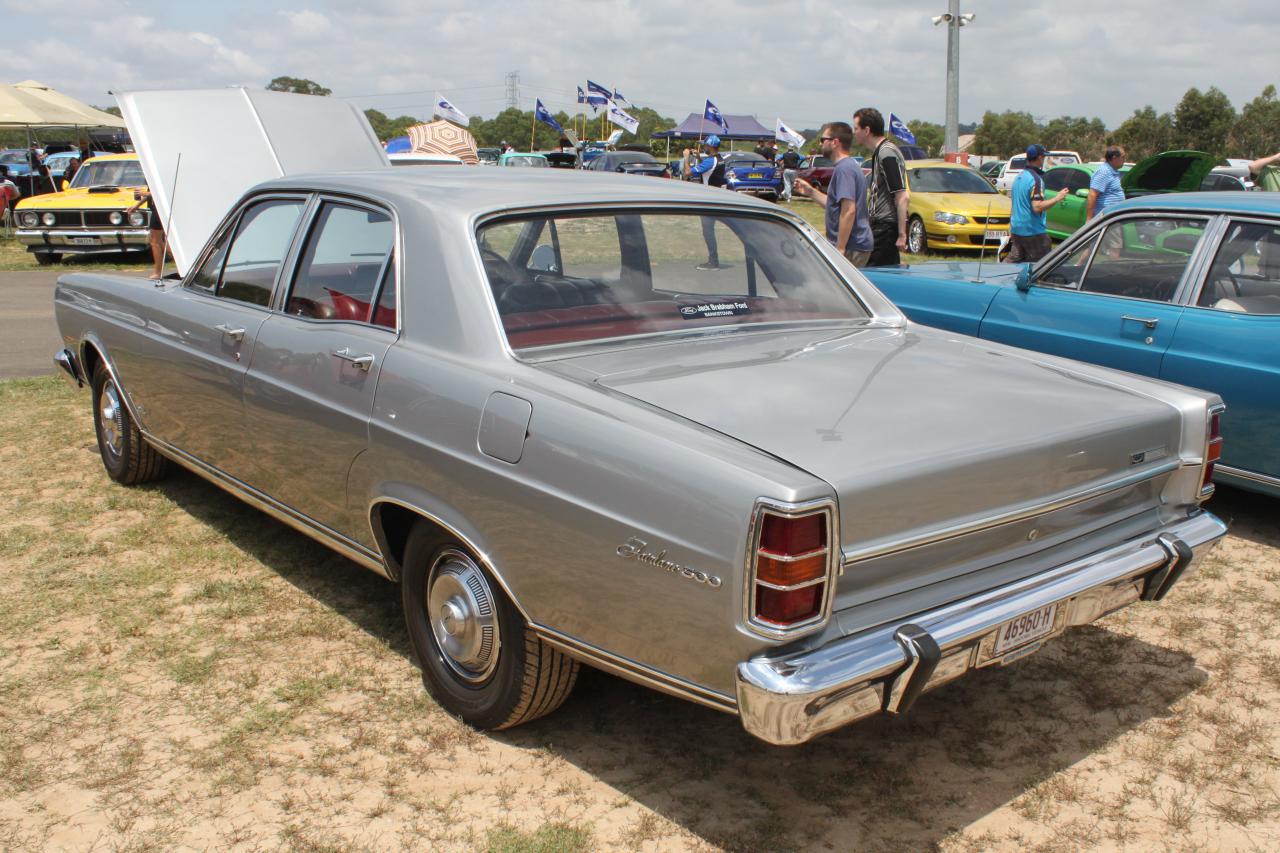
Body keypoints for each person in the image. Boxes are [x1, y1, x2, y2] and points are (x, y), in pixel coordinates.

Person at [793, 122, 873, 266]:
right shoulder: (846, 167)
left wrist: (840, 248)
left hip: (851, 246)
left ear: (835, 142)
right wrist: (811, 192)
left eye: (823, 140)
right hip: (852, 245)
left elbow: (849, 210)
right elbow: (835, 205)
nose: (821, 144)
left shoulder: (845, 169)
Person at [852, 107, 909, 266]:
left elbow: (902, 196)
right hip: (881, 227)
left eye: (856, 128)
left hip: (885, 229)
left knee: (873, 278)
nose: (854, 132)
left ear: (867, 130)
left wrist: (902, 234)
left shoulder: (887, 153)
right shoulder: (881, 152)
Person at [1006, 144, 1067, 263]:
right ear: (1039, 158)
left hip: (1017, 229)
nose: (1044, 160)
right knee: (1041, 268)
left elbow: (1015, 204)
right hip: (1033, 231)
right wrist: (1057, 198)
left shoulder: (1019, 177)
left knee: (1014, 266)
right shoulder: (1036, 179)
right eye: (1043, 157)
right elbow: (1037, 207)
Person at [682, 135, 729, 270]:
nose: (703, 147)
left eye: (705, 146)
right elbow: (710, 169)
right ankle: (713, 260)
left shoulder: (710, 161)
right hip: (717, 198)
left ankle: (713, 262)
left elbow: (687, 173)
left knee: (708, 232)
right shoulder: (719, 159)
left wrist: (686, 157)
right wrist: (698, 158)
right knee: (710, 231)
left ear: (710, 146)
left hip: (708, 200)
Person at [125, 189, 167, 280]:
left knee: (155, 241)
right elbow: (150, 194)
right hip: (157, 209)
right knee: (160, 241)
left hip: (159, 209)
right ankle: (184, 266)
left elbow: (160, 192)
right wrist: (136, 206)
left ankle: (157, 273)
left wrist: (144, 193)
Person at [1087, 145, 1126, 221]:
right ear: (1114, 158)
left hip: (1113, 219)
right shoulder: (1104, 171)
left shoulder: (1113, 172)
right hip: (1105, 219)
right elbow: (1092, 194)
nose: (1124, 159)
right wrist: (1089, 219)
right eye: (1123, 157)